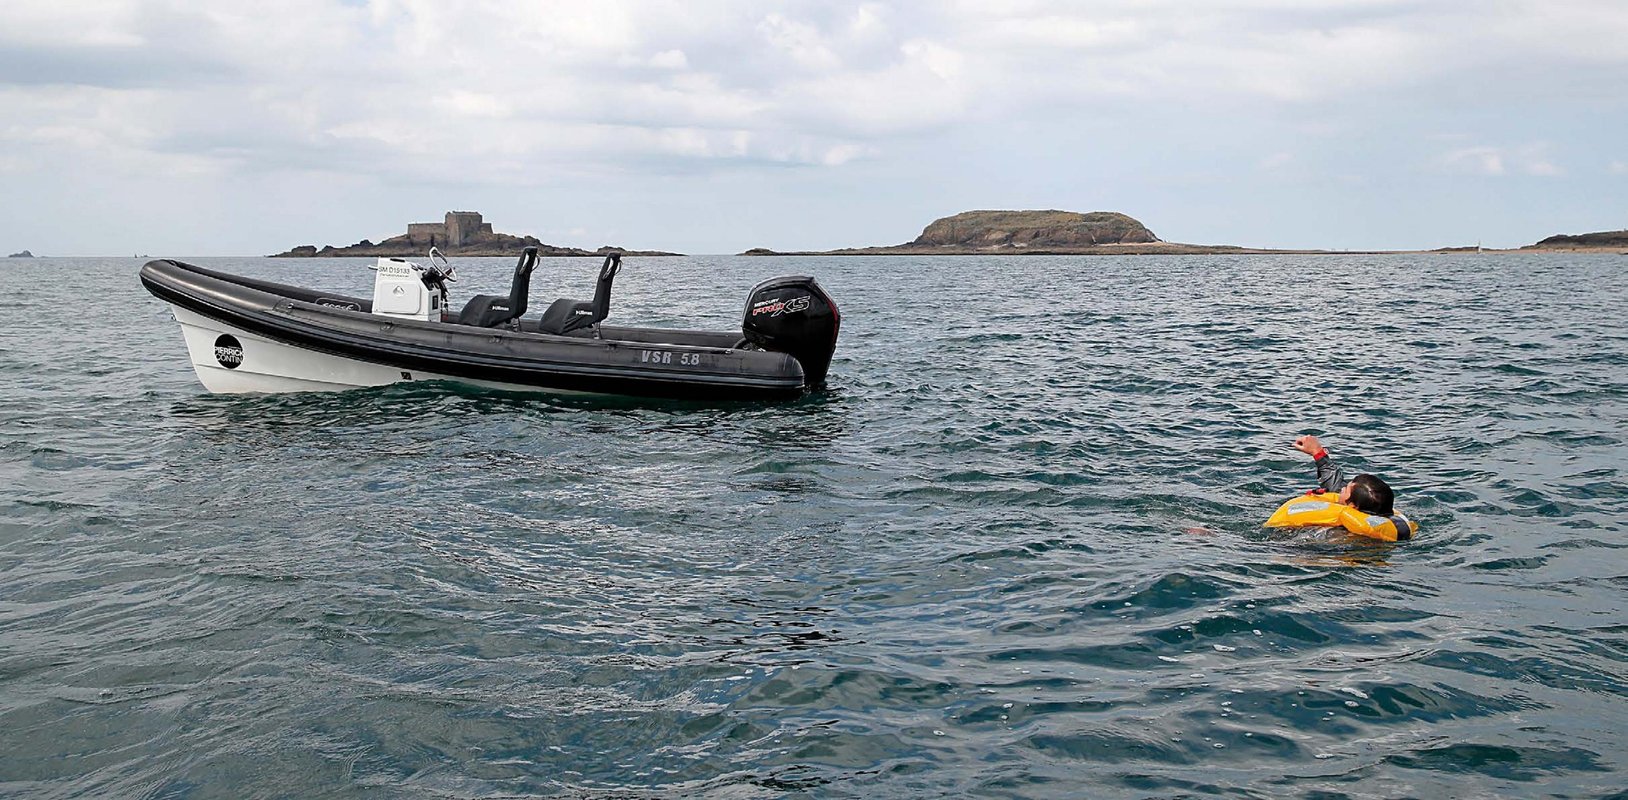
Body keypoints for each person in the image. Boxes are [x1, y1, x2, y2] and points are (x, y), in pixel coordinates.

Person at [1292, 434, 1395, 517]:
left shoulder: (1334, 532)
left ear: (1352, 506)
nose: (1342, 488)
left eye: (1346, 489)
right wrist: (1317, 451)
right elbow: (1334, 484)